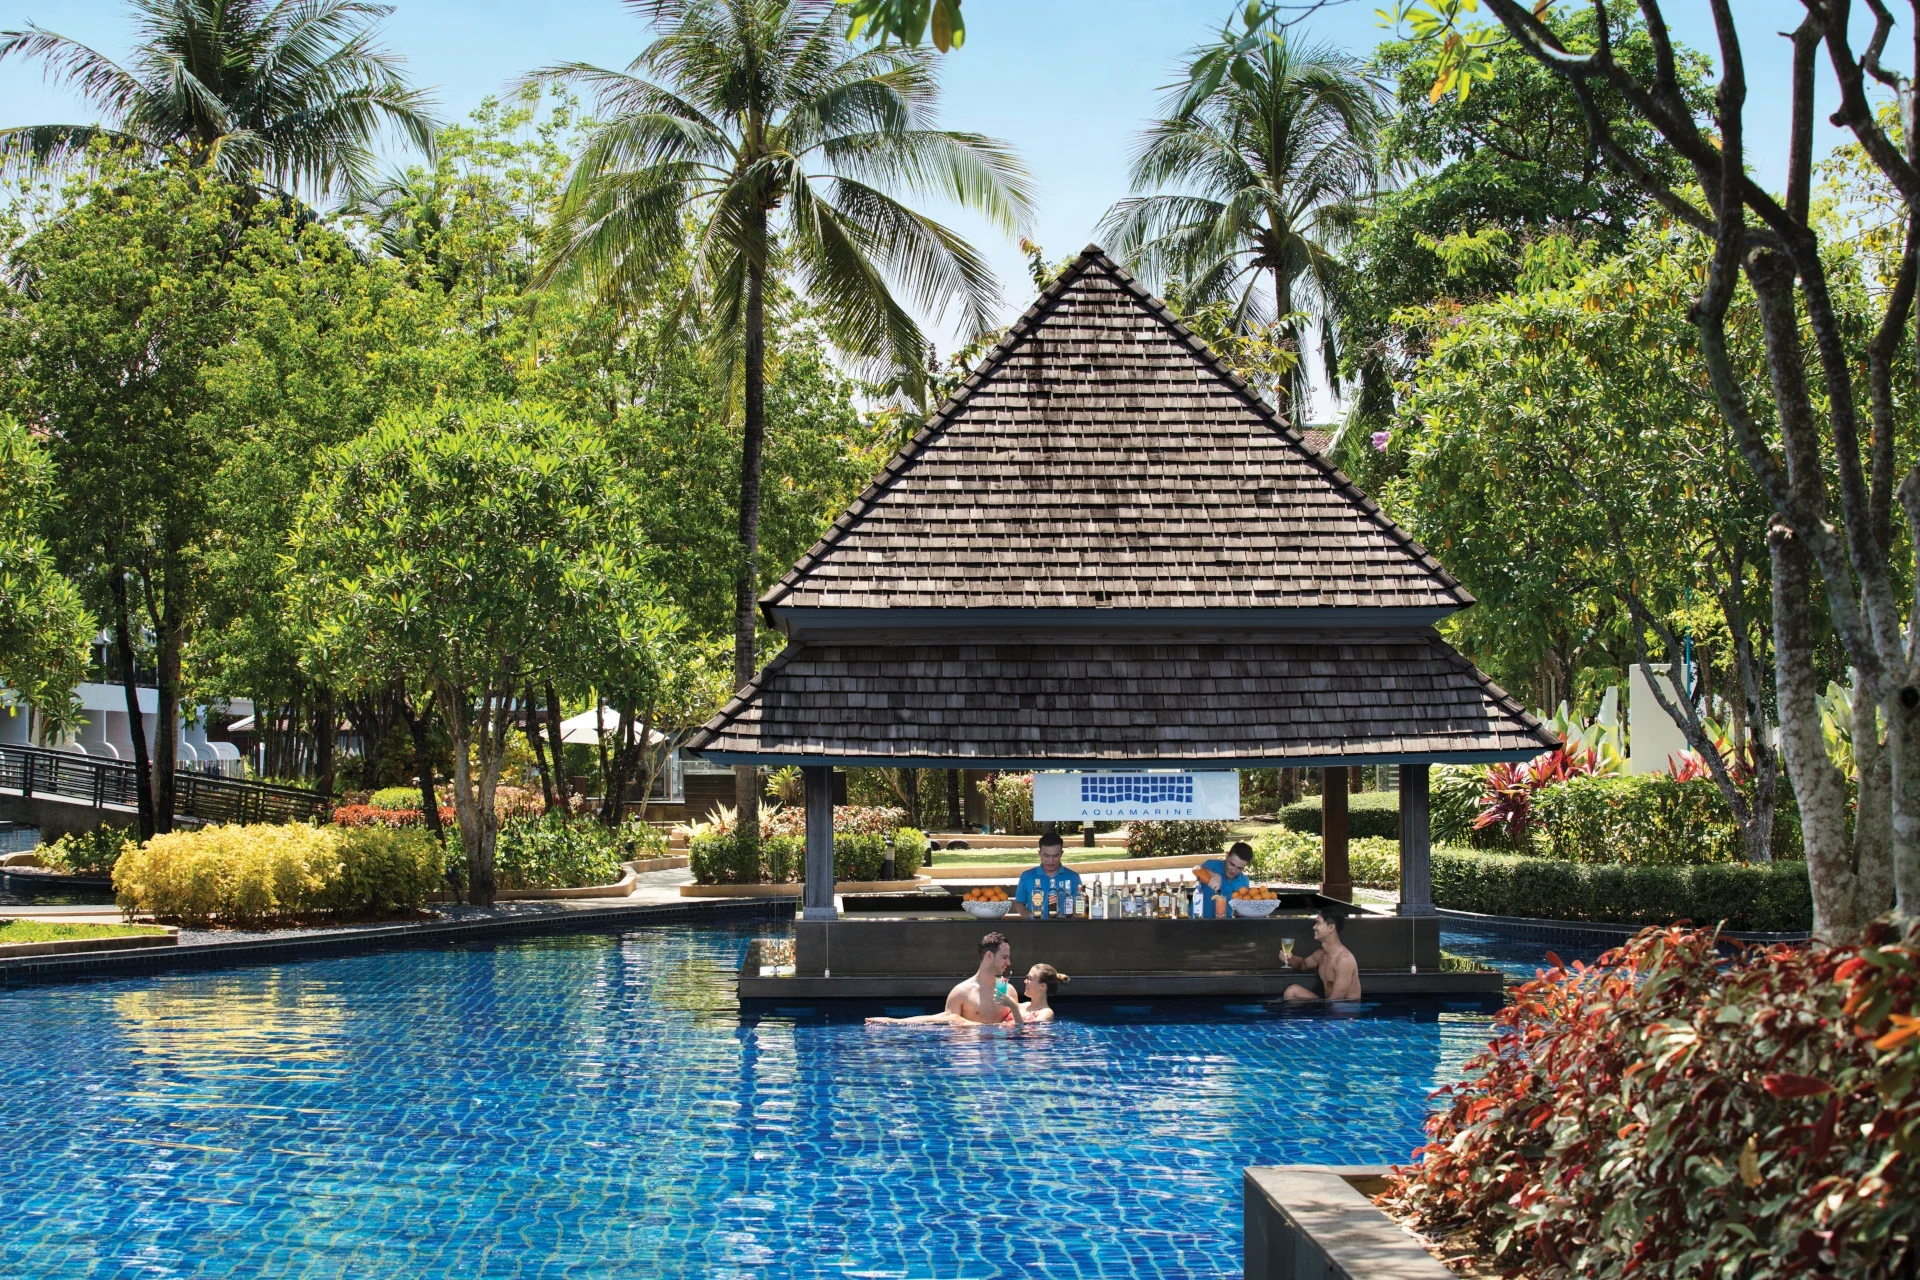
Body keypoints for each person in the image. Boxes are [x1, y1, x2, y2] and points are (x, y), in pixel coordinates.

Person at [867, 931, 1026, 1026]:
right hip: (974, 1056)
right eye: (1004, 957)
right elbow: (944, 1022)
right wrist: (894, 1022)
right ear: (989, 956)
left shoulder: (1009, 990)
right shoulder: (961, 993)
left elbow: (1019, 1029)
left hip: (1002, 1058)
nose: (1009, 963)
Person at [1281, 909, 1362, 1001]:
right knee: (1292, 991)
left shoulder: (1344, 960)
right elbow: (1302, 965)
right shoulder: (1320, 955)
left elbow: (1337, 1001)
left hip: (1347, 1007)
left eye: (1318, 923)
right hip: (1328, 1003)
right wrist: (1289, 958)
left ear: (1331, 927)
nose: (1314, 927)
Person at [1013, 831, 1083, 918]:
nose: (1051, 861)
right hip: (1035, 924)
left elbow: (1079, 905)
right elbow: (1019, 903)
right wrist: (1028, 915)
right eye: (1046, 856)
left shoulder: (1073, 877)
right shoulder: (1027, 876)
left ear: (1061, 854)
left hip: (1064, 924)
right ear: (1039, 853)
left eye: (1055, 856)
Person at [1192, 841, 1254, 919]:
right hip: (1197, 920)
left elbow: (1240, 910)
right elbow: (1196, 869)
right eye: (1232, 864)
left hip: (1225, 923)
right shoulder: (1213, 865)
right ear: (1227, 856)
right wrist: (1213, 875)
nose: (1233, 870)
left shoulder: (1244, 881)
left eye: (1239, 868)